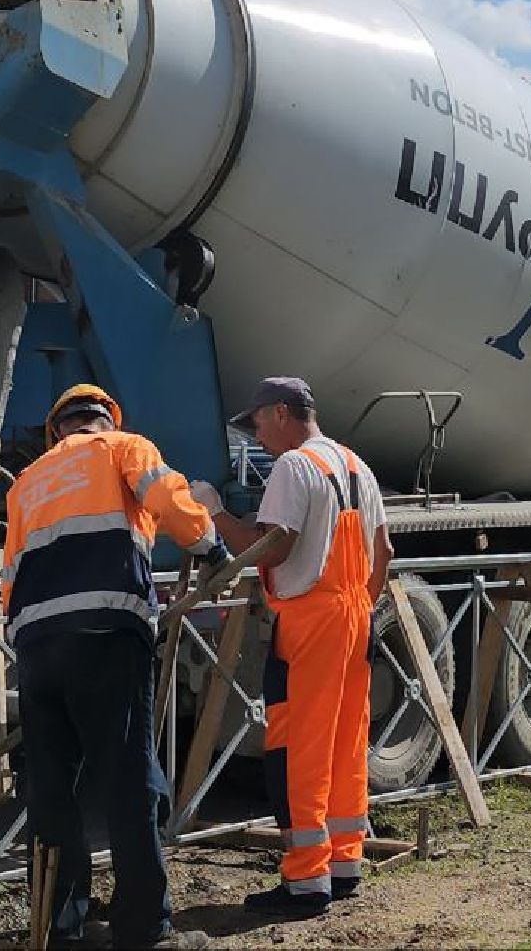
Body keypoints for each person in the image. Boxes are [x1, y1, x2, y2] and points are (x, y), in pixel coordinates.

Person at [1, 383, 229, 950]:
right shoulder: (125, 448)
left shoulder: (28, 482)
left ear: (58, 430)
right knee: (129, 783)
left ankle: (59, 926)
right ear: (104, 419)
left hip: (36, 643)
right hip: (105, 634)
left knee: (53, 790)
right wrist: (211, 547)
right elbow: (172, 505)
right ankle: (145, 930)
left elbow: (10, 576)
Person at [191, 377, 393, 919]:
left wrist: (214, 514)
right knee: (346, 740)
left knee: (299, 746)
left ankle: (307, 880)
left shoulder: (294, 466)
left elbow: (274, 545)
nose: (256, 438)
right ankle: (344, 862)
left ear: (282, 412)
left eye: (257, 423)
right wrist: (362, 608)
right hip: (353, 615)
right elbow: (385, 550)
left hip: (311, 618)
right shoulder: (356, 465)